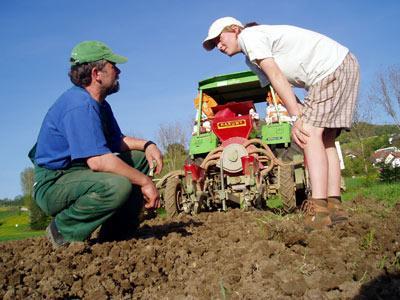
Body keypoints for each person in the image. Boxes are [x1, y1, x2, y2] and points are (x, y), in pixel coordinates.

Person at [203, 17, 360, 229]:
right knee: (324, 139)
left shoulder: (250, 36)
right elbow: (278, 86)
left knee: (308, 134)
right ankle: (334, 206)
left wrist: (297, 118)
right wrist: (299, 110)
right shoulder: (251, 58)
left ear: (234, 29)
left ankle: (319, 211)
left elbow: (276, 74)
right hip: (343, 65)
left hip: (329, 70)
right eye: (214, 45)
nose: (218, 46)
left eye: (219, 39)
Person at [29, 41, 163, 247]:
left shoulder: (100, 105)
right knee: (117, 185)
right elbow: (98, 161)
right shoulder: (78, 105)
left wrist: (147, 145)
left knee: (138, 160)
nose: (118, 71)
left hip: (77, 173)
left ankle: (116, 236)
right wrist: (145, 182)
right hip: (54, 181)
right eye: (113, 66)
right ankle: (63, 231)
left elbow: (116, 142)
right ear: (96, 73)